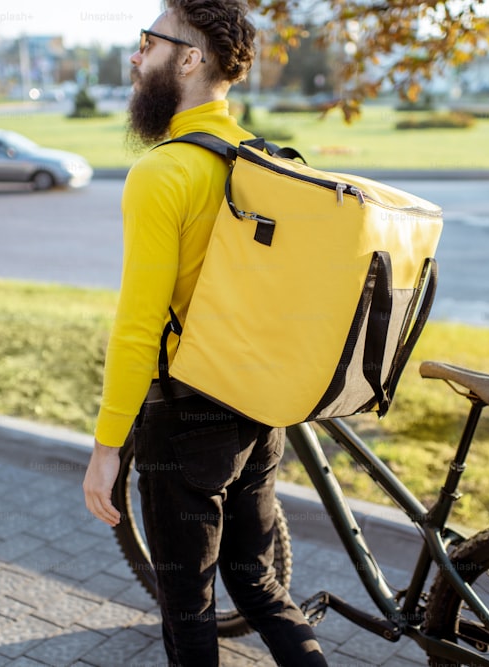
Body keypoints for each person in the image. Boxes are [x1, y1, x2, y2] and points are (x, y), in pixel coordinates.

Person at [82, 1, 328, 665]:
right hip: (258, 407)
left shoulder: (162, 174)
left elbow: (138, 330)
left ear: (189, 58)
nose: (135, 58)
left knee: (187, 606)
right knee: (256, 576)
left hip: (186, 419)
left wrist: (107, 447)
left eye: (147, 43)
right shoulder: (266, 162)